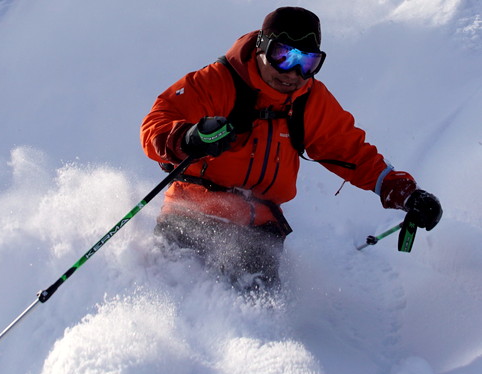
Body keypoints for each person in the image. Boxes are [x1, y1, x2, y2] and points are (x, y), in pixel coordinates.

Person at [140, 6, 442, 291]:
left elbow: (352, 151)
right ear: (262, 47)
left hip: (259, 231)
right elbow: (158, 121)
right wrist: (188, 137)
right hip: (193, 214)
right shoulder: (216, 83)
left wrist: (403, 192)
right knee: (173, 296)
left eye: (308, 63)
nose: (293, 73)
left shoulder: (310, 100)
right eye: (284, 56)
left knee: (255, 314)